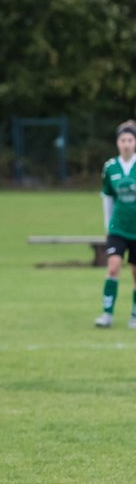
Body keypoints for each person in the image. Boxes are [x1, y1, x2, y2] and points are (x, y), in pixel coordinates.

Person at [94, 120, 136, 328]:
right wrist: (107, 225)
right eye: (123, 140)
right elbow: (108, 198)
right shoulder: (110, 168)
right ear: (117, 143)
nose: (126, 144)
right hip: (118, 228)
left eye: (130, 139)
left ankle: (135, 315)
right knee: (113, 267)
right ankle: (107, 314)